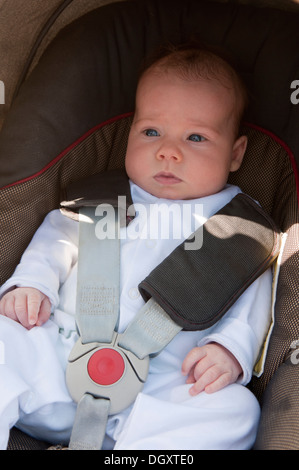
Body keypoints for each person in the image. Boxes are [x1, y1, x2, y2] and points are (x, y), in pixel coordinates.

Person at [0, 44, 272, 450]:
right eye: (151, 132)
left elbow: (253, 300)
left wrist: (229, 349)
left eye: (195, 137)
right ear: (129, 133)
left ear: (235, 154)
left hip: (159, 385)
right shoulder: (103, 199)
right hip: (56, 355)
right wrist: (32, 283)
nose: (168, 151)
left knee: (237, 413)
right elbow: (57, 239)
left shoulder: (238, 227)